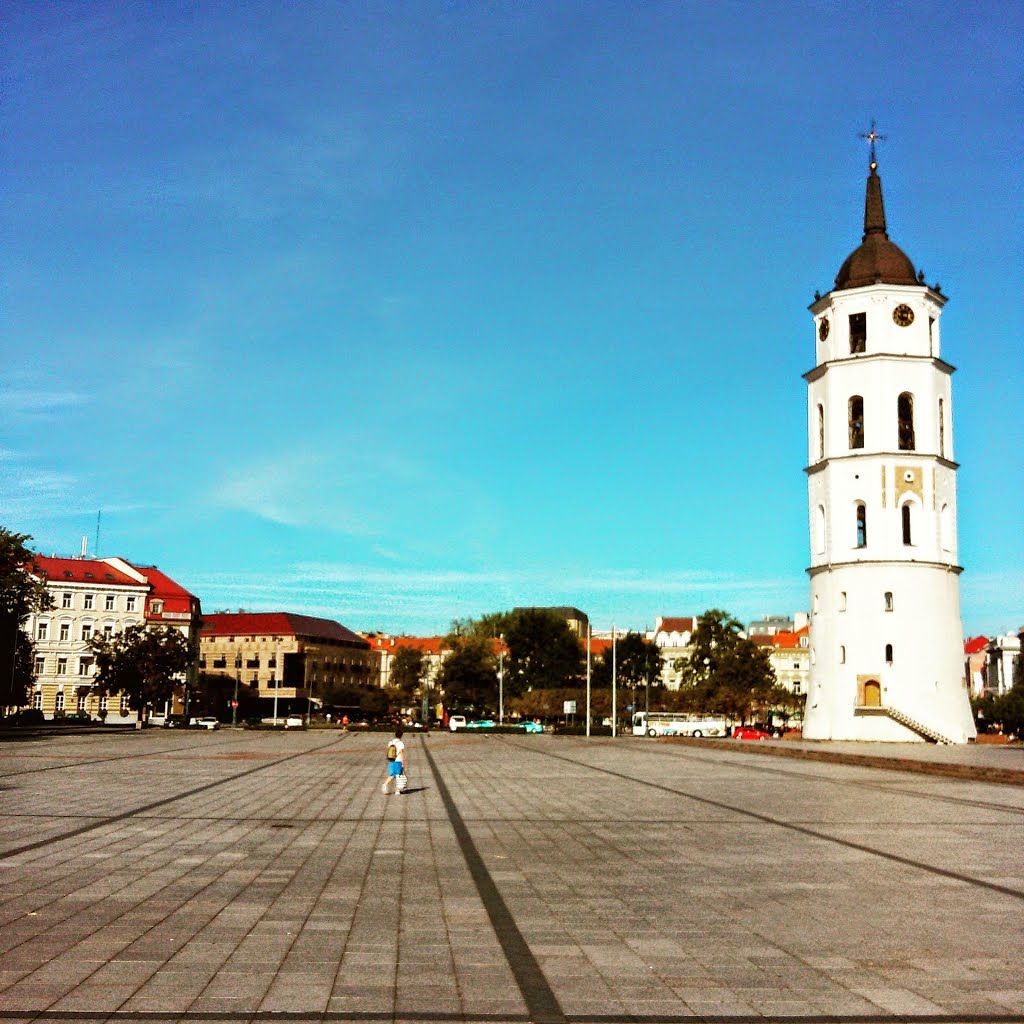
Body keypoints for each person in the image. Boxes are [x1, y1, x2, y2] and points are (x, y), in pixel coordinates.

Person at [381, 728, 406, 795]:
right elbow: (401, 753)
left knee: (393, 774)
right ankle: (397, 790)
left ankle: (386, 784)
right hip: (398, 761)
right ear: (401, 735)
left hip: (392, 760)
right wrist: (403, 762)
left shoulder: (391, 742)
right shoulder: (400, 743)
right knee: (398, 775)